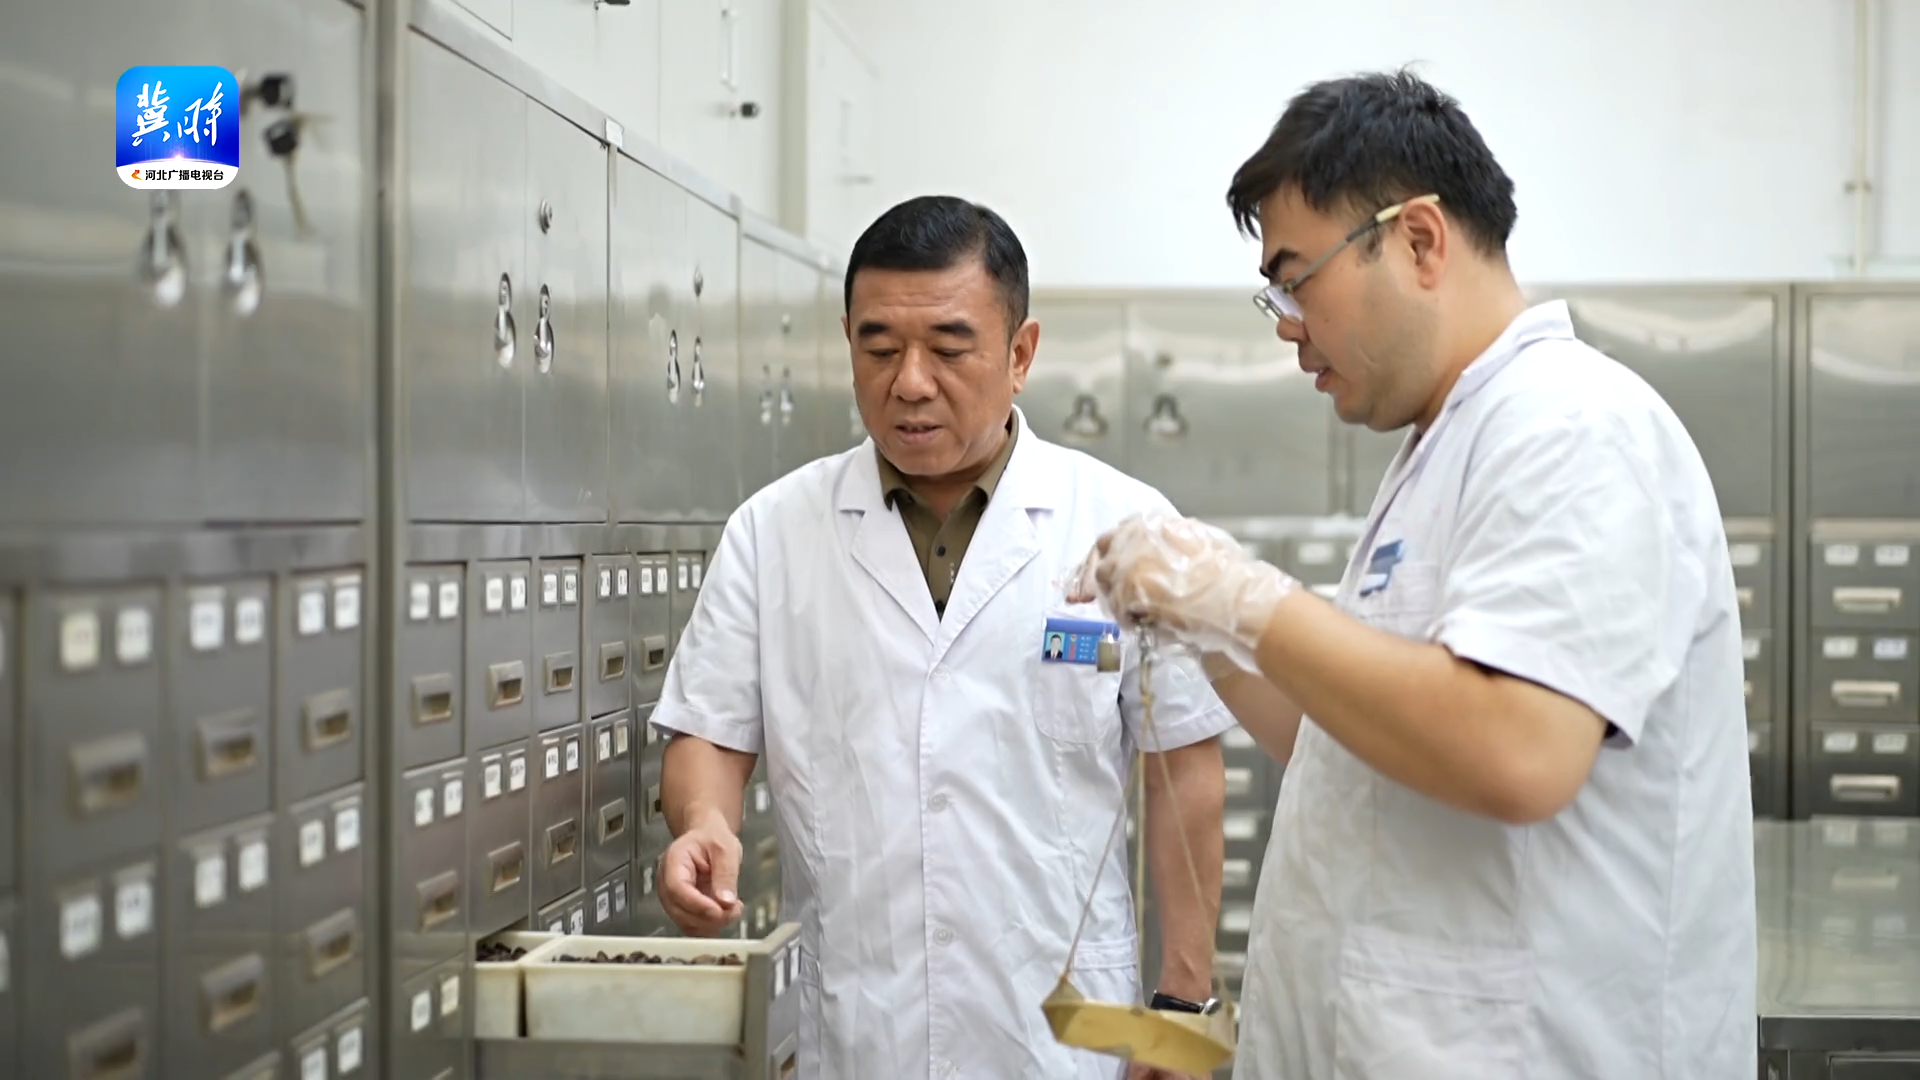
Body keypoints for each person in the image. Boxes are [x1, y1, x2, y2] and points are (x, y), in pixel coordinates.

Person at [1071, 70, 1757, 1079]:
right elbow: (1347, 746)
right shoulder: (1448, 447)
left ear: (1420, 240)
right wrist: (1208, 633)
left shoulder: (1574, 427)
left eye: (1296, 279)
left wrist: (1244, 599)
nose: (1285, 323)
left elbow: (1517, 748)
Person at [651, 195, 1262, 1080]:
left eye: (948, 348)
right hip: (860, 1029)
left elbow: (1185, 771)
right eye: (878, 348)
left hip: (1065, 1039)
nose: (909, 382)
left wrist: (1183, 1002)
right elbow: (710, 731)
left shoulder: (1122, 522)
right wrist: (703, 822)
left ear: (1021, 353)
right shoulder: (773, 530)